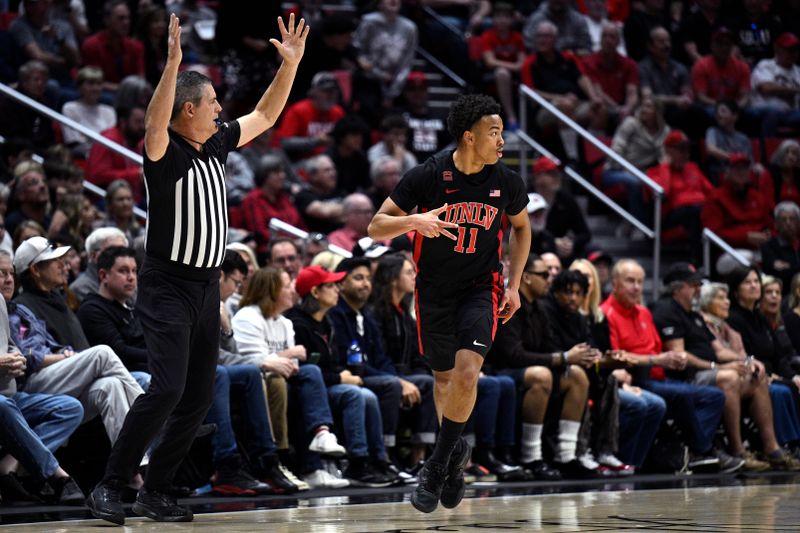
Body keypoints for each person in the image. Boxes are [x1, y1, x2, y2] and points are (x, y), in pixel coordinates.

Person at [86, 13, 310, 525]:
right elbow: (152, 123)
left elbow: (267, 115)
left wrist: (289, 67)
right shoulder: (162, 155)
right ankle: (110, 483)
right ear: (189, 109)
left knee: (198, 394)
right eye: (211, 102)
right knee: (166, 388)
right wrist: (172, 66)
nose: (220, 108)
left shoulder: (217, 142)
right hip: (166, 285)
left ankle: (157, 491)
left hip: (207, 288)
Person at [367, 93, 530, 513]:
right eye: (493, 132)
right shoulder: (429, 175)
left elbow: (522, 229)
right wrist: (414, 221)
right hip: (434, 291)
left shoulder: (507, 181)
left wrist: (513, 285)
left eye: (501, 132)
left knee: (468, 371)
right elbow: (375, 227)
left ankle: (437, 465)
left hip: (482, 288)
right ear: (467, 137)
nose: (501, 141)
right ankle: (456, 459)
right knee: (443, 380)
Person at [600, 259, 726, 471]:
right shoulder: (606, 313)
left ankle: (688, 448)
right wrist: (656, 360)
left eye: (640, 281)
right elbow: (615, 356)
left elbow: (658, 349)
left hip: (660, 376)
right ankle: (699, 450)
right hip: (636, 378)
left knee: (714, 396)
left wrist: (672, 360)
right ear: (615, 284)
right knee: (678, 397)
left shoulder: (644, 312)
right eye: (630, 281)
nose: (637, 287)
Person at [231, 267, 349, 489]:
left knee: (311, 373)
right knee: (288, 386)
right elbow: (250, 361)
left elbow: (293, 366)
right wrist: (285, 355)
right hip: (256, 384)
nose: (293, 290)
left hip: (281, 379)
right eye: (286, 286)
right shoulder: (248, 317)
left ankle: (322, 436)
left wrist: (282, 358)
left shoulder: (284, 322)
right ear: (271, 291)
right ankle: (282, 460)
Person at [286, 265, 396, 487]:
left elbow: (331, 363)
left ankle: (378, 459)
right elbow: (306, 372)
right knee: (354, 394)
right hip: (306, 389)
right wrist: (340, 378)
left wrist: (341, 373)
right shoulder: (297, 324)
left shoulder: (327, 322)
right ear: (315, 292)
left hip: (328, 383)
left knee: (367, 395)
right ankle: (357, 461)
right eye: (330, 285)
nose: (337, 289)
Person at [489, 254, 592, 480]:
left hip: (528, 368)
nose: (549, 279)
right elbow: (512, 356)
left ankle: (566, 455)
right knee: (542, 375)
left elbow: (550, 346)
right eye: (544, 274)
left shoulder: (540, 309)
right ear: (525, 277)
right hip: (501, 370)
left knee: (577, 376)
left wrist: (578, 356)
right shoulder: (506, 303)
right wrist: (562, 358)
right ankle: (531, 455)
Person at [369, 254, 438, 467]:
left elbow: (418, 356)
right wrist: (400, 380)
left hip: (406, 374)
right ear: (392, 278)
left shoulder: (404, 315)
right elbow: (377, 356)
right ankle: (386, 458)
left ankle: (420, 458)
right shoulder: (374, 313)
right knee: (408, 385)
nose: (414, 276)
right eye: (409, 272)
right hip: (381, 373)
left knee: (433, 382)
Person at [601, 95, 669, 226]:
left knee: (658, 186)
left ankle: (652, 225)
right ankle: (637, 224)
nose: (644, 109)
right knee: (635, 182)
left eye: (648, 106)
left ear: (657, 111)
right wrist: (625, 168)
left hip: (643, 171)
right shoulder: (631, 123)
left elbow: (663, 156)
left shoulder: (664, 131)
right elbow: (617, 148)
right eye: (643, 106)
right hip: (616, 169)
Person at [701, 153, 773, 250]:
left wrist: (769, 233)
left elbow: (769, 222)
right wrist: (745, 237)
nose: (741, 172)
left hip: (761, 248)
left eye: (744, 168)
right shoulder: (715, 198)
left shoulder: (757, 196)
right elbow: (713, 234)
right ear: (727, 172)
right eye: (736, 168)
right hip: (730, 251)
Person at [85, 105, 146, 204]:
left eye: (143, 122)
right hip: (106, 199)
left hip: (135, 198)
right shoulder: (108, 140)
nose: (142, 127)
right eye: (137, 122)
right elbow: (97, 175)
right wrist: (136, 174)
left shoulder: (139, 140)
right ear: (123, 122)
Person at [80, 0, 145, 92]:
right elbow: (93, 81)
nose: (126, 22)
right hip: (101, 94)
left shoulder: (136, 46)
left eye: (128, 18)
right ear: (107, 20)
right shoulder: (91, 45)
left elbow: (140, 80)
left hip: (129, 95)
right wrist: (123, 90)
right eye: (121, 18)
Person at [62, 66, 117, 158]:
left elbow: (113, 141)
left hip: (108, 155)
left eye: (99, 84)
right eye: (90, 84)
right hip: (83, 156)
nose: (95, 88)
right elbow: (74, 143)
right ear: (80, 86)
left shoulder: (109, 111)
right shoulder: (70, 108)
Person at [69, 227, 128, 304]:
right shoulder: (80, 288)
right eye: (113, 251)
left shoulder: (129, 280)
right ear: (93, 256)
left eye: (123, 251)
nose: (120, 257)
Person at [762, 202, 800, 294]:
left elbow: (787, 271)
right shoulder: (769, 246)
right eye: (783, 220)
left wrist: (789, 267)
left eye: (792, 219)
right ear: (776, 224)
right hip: (783, 295)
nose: (788, 223)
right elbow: (779, 275)